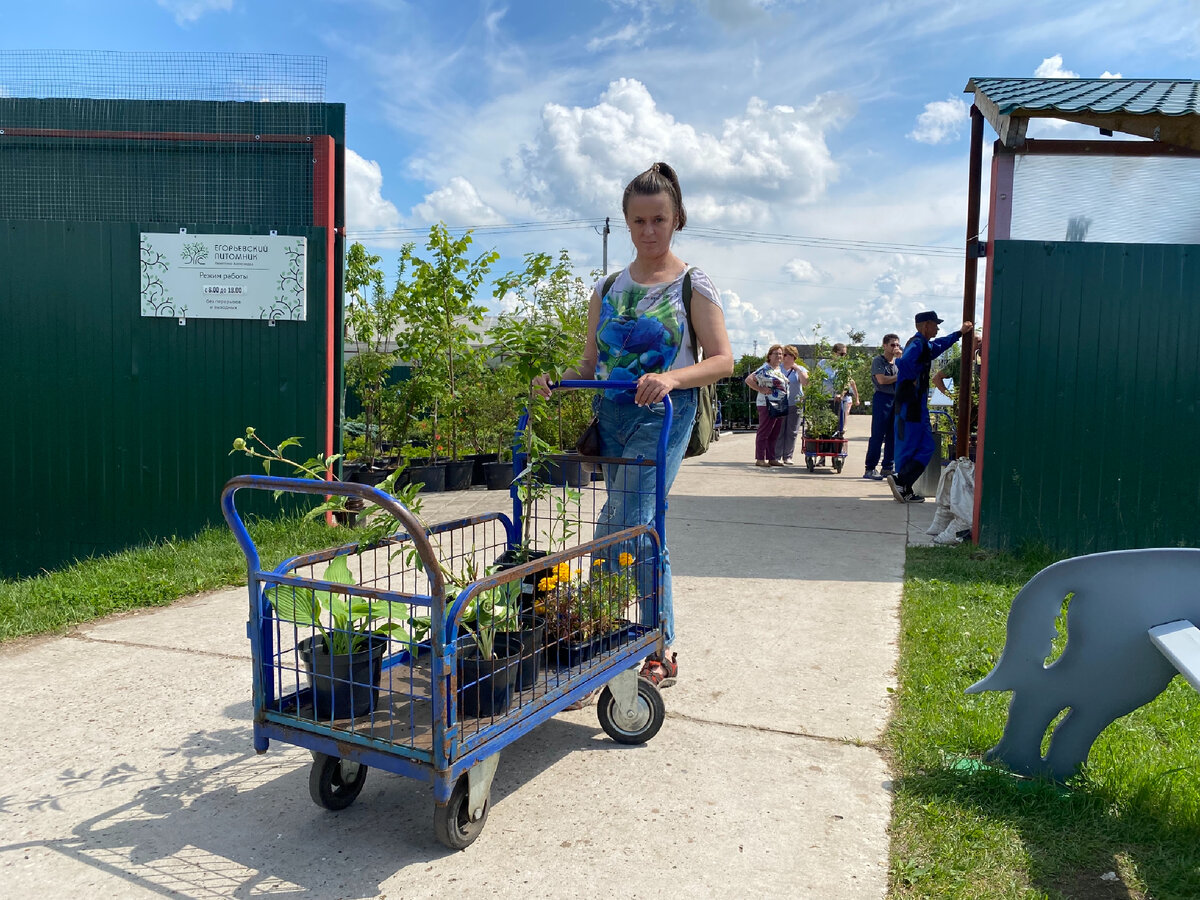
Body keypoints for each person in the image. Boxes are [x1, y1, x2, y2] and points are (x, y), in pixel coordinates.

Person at [533, 162, 733, 688]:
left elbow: (723, 361)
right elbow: (587, 365)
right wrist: (558, 382)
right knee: (641, 528)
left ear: (677, 219)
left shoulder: (694, 283)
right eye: (639, 221)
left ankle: (627, 639)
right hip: (613, 415)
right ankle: (639, 639)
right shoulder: (608, 286)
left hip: (664, 416)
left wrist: (670, 378)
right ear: (626, 222)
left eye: (659, 220)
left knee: (626, 522)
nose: (649, 231)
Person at [886, 311, 973, 503]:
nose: (938, 328)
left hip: (913, 403)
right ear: (925, 325)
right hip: (911, 404)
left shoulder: (924, 345)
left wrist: (959, 333)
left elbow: (940, 345)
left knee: (924, 446)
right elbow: (904, 362)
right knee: (912, 445)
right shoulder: (917, 345)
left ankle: (903, 484)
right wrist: (912, 380)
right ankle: (902, 482)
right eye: (935, 324)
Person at [863, 334, 901, 480]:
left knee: (893, 435)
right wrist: (900, 376)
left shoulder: (898, 362)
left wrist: (902, 361)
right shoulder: (878, 361)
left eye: (897, 345)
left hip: (895, 399)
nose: (895, 348)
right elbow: (882, 380)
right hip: (882, 398)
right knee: (878, 434)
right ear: (884, 346)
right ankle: (870, 468)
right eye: (892, 345)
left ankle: (887, 467)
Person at [745, 344, 788, 467]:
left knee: (775, 432)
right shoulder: (764, 369)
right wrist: (761, 389)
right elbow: (748, 380)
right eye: (776, 354)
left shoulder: (778, 370)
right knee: (764, 431)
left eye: (780, 354)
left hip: (779, 404)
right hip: (767, 404)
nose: (779, 356)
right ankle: (760, 458)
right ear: (769, 356)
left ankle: (772, 458)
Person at [774, 345, 808, 465]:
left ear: (793, 357)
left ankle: (788, 456)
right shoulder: (778, 369)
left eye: (785, 355)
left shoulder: (800, 369)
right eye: (782, 355)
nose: (782, 357)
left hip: (796, 403)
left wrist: (798, 370)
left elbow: (806, 383)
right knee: (779, 430)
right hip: (780, 403)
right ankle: (777, 456)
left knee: (792, 431)